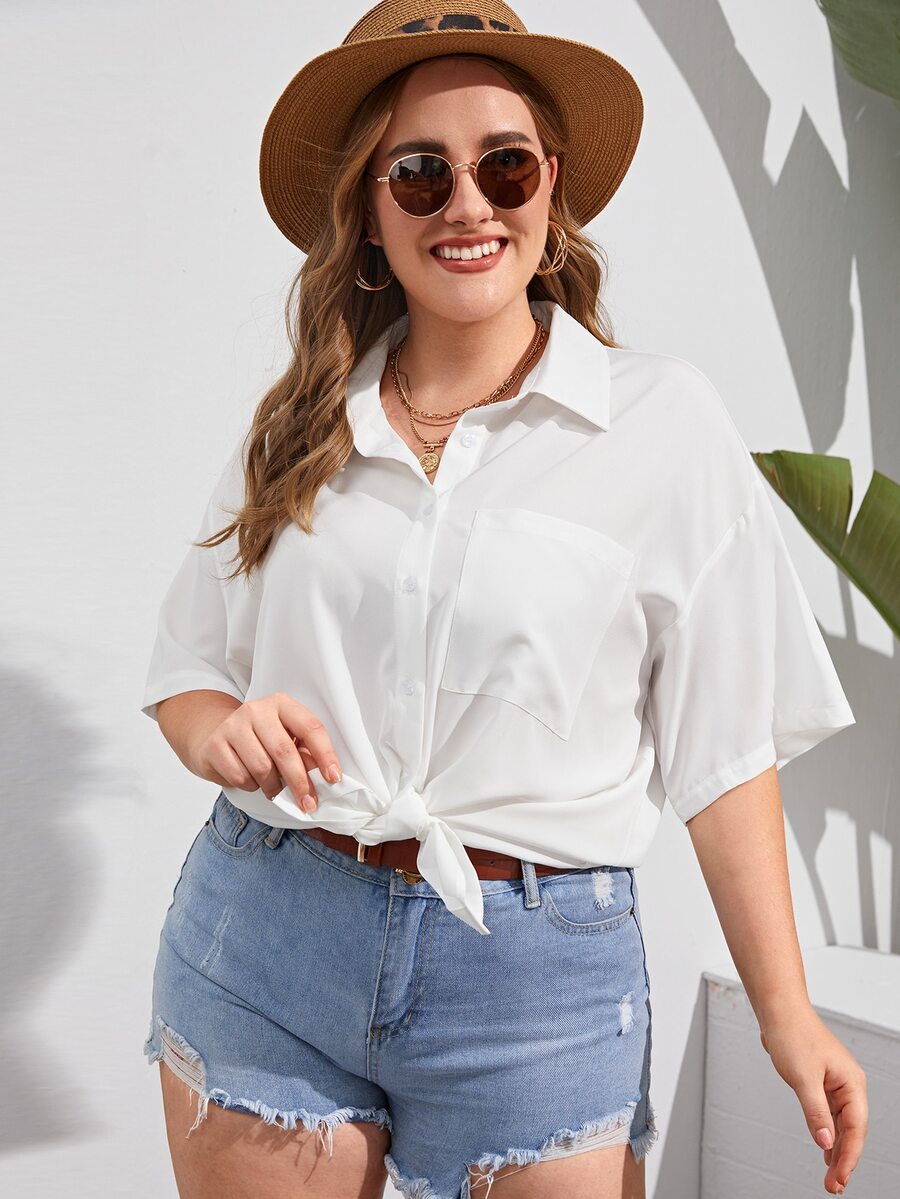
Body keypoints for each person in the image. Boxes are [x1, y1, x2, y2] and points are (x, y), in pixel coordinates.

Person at [140, 4, 867, 1197]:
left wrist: (786, 1014)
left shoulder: (662, 424)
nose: (468, 203)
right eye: (422, 174)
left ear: (551, 188)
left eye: (505, 165)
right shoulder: (302, 426)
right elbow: (187, 669)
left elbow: (725, 750)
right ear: (373, 213)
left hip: (537, 980)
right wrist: (223, 731)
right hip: (269, 936)